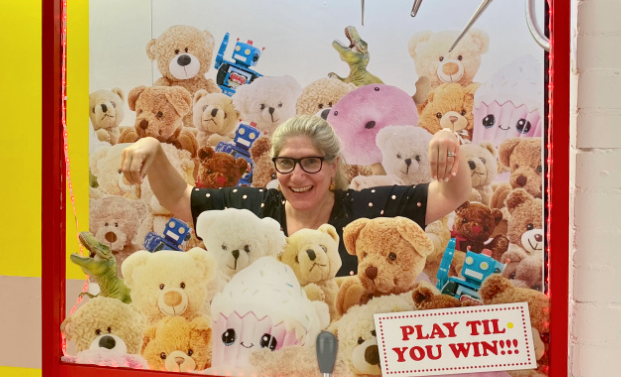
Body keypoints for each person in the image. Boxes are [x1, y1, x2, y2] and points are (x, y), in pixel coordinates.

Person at [120, 115, 471, 275]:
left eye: (311, 162)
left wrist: (449, 142)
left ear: (333, 166)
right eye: (286, 163)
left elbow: (452, 194)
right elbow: (180, 197)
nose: (298, 175)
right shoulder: (253, 211)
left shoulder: (368, 210)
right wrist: (152, 147)